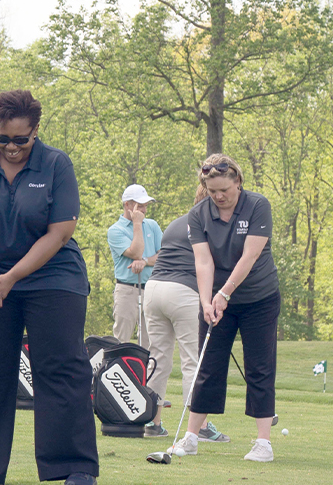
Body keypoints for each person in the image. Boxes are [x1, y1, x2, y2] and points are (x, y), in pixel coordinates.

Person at [0, 89, 98, 485]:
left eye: (20, 139)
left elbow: (61, 231)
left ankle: (75, 465)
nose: (11, 148)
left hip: (51, 276)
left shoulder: (55, 164)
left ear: (35, 131)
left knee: (61, 366)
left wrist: (13, 277)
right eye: (3, 139)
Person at [169, 154, 281, 462]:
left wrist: (225, 293)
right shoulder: (199, 214)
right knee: (208, 365)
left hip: (259, 298)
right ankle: (191, 437)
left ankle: (263, 443)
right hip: (218, 300)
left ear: (238, 183)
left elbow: (250, 255)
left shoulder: (258, 206)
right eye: (213, 190)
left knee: (259, 366)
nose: (219, 196)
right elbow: (203, 261)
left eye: (225, 191)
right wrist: (207, 301)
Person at [141, 192, 228, 442]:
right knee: (194, 358)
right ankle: (200, 426)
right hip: (183, 292)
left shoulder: (177, 222)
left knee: (158, 358)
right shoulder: (210, 225)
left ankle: (152, 422)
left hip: (154, 289)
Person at [106, 184, 162, 347]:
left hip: (152, 289)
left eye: (145, 206)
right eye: (140, 205)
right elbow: (136, 252)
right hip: (127, 290)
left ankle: (144, 373)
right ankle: (118, 371)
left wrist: (144, 262)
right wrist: (137, 224)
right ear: (127, 205)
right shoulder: (115, 231)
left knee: (149, 342)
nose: (144, 210)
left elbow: (164, 255)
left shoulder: (152, 225)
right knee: (121, 341)